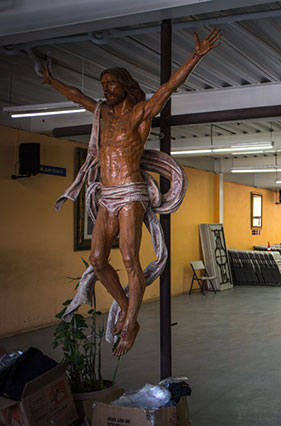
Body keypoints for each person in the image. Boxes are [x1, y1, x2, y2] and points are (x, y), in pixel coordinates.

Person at [46, 28, 223, 356]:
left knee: (129, 259)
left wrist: (197, 55)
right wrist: (51, 81)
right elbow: (76, 96)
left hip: (131, 192)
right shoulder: (102, 114)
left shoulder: (139, 114)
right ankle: (129, 311)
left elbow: (169, 87)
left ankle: (129, 322)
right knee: (98, 261)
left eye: (110, 84)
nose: (105, 90)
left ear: (123, 84)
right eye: (102, 85)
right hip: (107, 195)